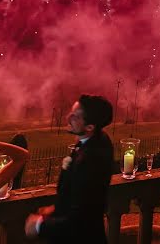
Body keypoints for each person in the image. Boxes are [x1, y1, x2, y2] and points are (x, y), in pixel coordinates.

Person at [25, 95, 114, 242]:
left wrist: (39, 226)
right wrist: (56, 208)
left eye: (75, 116)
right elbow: (79, 195)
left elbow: (82, 219)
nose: (68, 117)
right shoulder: (95, 140)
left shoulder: (91, 159)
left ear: (90, 127)